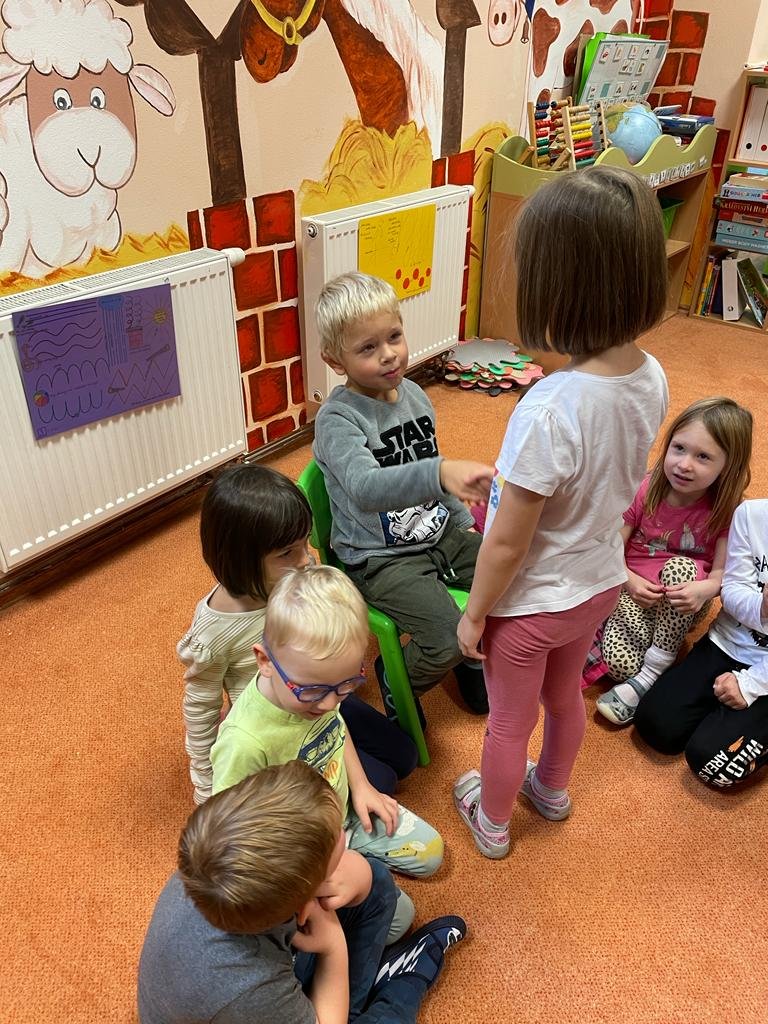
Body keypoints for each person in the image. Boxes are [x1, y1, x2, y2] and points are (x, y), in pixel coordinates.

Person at [452, 166, 669, 859]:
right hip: (596, 583)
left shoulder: (548, 406)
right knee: (564, 698)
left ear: (558, 287)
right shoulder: (651, 374)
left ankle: (491, 822)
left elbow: (506, 544)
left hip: (531, 603)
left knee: (507, 723)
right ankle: (551, 790)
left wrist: (475, 614)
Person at [138, 760, 466, 1024]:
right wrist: (333, 946)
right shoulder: (248, 987)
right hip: (254, 1001)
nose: (344, 834)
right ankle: (405, 979)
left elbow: (359, 876)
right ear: (302, 898)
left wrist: (357, 874)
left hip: (259, 979)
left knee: (372, 877)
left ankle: (355, 991)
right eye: (339, 835)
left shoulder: (212, 864)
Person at [210, 564, 445, 934]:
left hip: (341, 814)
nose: (329, 702)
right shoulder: (244, 742)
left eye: (346, 686)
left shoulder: (318, 688)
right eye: (314, 691)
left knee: (432, 853)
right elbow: (233, 837)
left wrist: (362, 786)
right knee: (398, 920)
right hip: (300, 854)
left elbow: (334, 729)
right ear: (265, 661)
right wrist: (313, 874)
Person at [312, 271, 495, 723]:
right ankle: (398, 680)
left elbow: (430, 460)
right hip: (379, 558)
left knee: (506, 576)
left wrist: (462, 522)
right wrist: (439, 474)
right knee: (445, 638)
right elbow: (366, 488)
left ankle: (472, 658)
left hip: (438, 534)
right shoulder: (338, 420)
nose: (389, 354)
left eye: (393, 336)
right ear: (335, 360)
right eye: (367, 348)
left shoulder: (413, 394)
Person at [178, 463, 418, 804]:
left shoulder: (297, 581)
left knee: (404, 756)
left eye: (305, 544)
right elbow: (200, 711)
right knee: (383, 779)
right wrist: (207, 792)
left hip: (321, 697)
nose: (307, 560)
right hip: (279, 725)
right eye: (287, 553)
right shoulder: (213, 632)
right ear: (240, 558)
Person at [592, 397, 752, 725]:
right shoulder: (645, 488)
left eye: (703, 457)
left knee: (682, 568)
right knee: (619, 667)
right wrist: (628, 579)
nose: (684, 464)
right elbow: (611, 546)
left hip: (684, 601)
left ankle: (655, 667)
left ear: (728, 466)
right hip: (633, 592)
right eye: (679, 448)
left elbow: (722, 574)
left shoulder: (727, 510)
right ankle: (651, 659)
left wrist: (705, 589)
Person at [634, 498, 768, 788]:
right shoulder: (752, 514)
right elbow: (731, 591)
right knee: (655, 726)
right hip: (727, 641)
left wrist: (752, 684)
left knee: (712, 764)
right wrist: (762, 608)